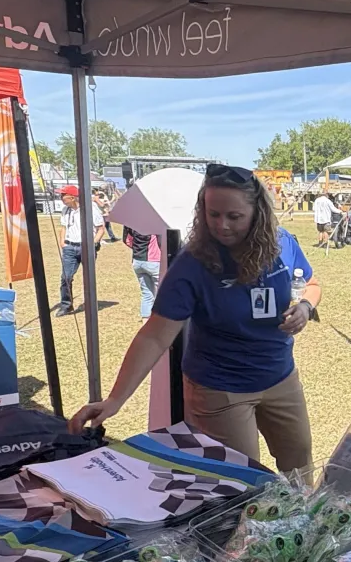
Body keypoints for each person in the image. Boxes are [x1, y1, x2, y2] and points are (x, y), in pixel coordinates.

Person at [70, 165, 322, 469]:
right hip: (220, 388)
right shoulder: (193, 263)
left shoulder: (282, 244)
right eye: (213, 214)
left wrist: (305, 307)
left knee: (299, 465)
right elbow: (155, 336)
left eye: (234, 216)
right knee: (240, 478)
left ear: (258, 214)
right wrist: (115, 399)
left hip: (281, 377)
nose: (222, 225)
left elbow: (311, 284)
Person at [57, 185, 106, 317]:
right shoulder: (65, 210)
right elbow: (63, 227)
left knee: (88, 278)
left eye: (63, 195)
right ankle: (66, 305)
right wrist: (63, 243)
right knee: (66, 277)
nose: (61, 198)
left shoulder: (90, 209)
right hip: (69, 247)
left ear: (72, 197)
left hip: (86, 247)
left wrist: (93, 243)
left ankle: (90, 304)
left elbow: (101, 229)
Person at [122, 226, 161, 319]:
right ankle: (160, 320)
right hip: (154, 261)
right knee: (161, 294)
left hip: (137, 261)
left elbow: (127, 240)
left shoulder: (131, 224)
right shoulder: (154, 224)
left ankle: (145, 322)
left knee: (146, 294)